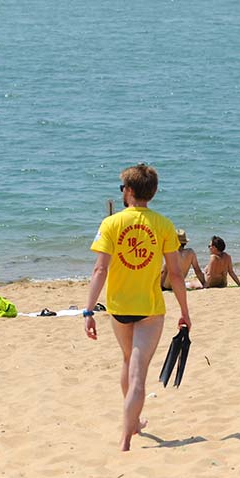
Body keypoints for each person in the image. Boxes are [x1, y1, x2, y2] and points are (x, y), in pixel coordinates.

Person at [84, 163, 191, 452]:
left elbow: (99, 270)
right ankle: (126, 435)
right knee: (138, 372)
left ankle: (131, 424)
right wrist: (184, 310)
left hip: (119, 307)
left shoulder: (111, 224)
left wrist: (88, 310)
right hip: (150, 309)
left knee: (127, 360)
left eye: (122, 188)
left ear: (129, 191)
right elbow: (177, 274)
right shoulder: (164, 224)